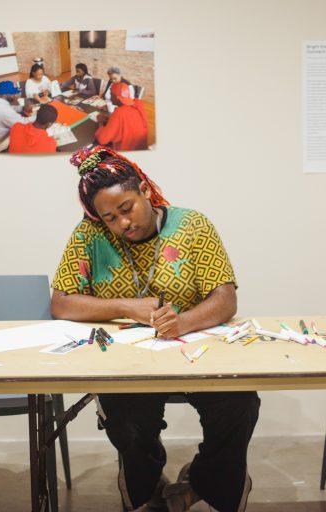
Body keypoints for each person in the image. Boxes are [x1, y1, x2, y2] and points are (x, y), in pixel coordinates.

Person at [51, 145, 260, 512]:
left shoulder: (192, 225)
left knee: (238, 403)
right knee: (128, 418)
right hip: (127, 363)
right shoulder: (90, 235)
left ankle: (205, 480)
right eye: (110, 218)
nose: (122, 224)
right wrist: (123, 306)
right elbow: (62, 302)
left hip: (194, 352)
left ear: (145, 190)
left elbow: (225, 298)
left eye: (127, 208)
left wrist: (184, 321)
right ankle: (146, 484)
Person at [0, 80, 34, 150]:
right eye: (13, 94)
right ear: (4, 95)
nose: (15, 96)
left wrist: (22, 108)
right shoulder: (3, 110)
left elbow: (8, 108)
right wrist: (38, 115)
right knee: (28, 134)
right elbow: (22, 123)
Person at [95, 82, 148, 151]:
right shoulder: (137, 103)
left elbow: (102, 139)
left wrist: (100, 122)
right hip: (140, 148)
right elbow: (128, 122)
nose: (110, 97)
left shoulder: (119, 112)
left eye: (111, 94)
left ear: (117, 97)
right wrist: (110, 119)